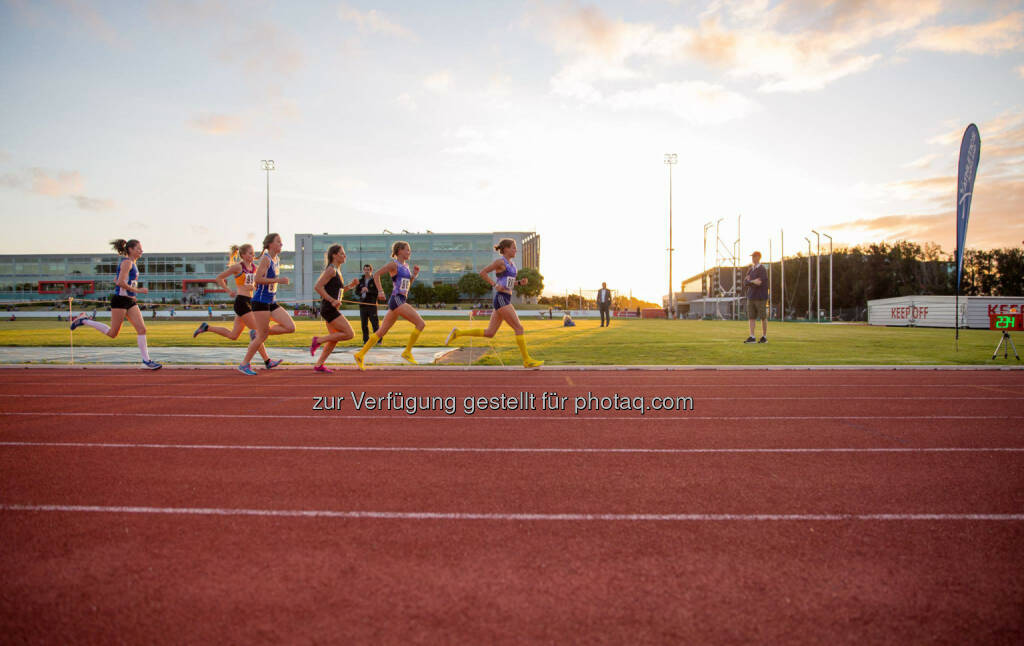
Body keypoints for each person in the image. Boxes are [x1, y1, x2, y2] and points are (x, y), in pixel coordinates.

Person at [443, 238, 544, 368]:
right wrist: (495, 285)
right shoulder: (500, 262)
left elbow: (508, 283)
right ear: (506, 249)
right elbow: (483, 272)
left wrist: (519, 283)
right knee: (519, 328)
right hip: (501, 298)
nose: (516, 250)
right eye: (513, 247)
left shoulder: (512, 265)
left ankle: (459, 333)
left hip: (505, 298)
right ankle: (526, 360)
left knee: (490, 333)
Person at [71, 238, 161, 369]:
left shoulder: (132, 264)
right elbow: (119, 282)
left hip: (129, 301)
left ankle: (146, 361)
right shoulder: (127, 263)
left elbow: (116, 279)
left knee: (142, 329)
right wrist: (138, 290)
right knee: (113, 333)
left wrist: (132, 294)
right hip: (120, 300)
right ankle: (84, 320)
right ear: (130, 249)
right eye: (138, 249)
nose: (141, 251)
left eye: (141, 249)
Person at [192, 244, 281, 370]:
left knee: (233, 335)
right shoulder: (238, 267)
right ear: (243, 255)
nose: (252, 255)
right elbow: (219, 278)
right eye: (249, 253)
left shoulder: (254, 268)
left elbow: (255, 282)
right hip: (241, 302)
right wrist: (228, 291)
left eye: (253, 253)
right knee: (258, 331)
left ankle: (206, 327)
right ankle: (267, 361)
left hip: (250, 301)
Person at [352, 241, 424, 370]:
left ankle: (360, 354)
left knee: (381, 332)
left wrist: (414, 276)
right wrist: (380, 290)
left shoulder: (406, 266)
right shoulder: (393, 264)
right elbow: (377, 274)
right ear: (399, 251)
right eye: (407, 250)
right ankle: (407, 352)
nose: (409, 252)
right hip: (397, 299)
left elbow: (407, 286)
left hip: (400, 299)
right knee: (420, 324)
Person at [237, 233, 296, 375]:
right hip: (260, 302)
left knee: (290, 327)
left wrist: (276, 281)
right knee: (263, 337)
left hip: (271, 301)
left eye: (281, 242)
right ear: (270, 244)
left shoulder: (277, 259)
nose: (281, 244)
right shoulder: (266, 259)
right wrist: (277, 280)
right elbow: (258, 279)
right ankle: (244, 364)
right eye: (279, 242)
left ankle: (257, 333)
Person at [309, 244, 359, 373]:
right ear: (334, 255)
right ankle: (318, 340)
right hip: (329, 308)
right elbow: (318, 287)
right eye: (342, 253)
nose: (344, 255)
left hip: (330, 308)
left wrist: (351, 286)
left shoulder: (337, 270)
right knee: (349, 334)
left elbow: (338, 291)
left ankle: (319, 364)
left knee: (334, 338)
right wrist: (332, 300)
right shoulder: (331, 270)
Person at [743, 250, 769, 343]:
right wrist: (752, 281)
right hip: (751, 296)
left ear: (758, 257)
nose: (753, 258)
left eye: (754, 256)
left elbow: (759, 282)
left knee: (763, 317)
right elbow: (745, 282)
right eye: (752, 256)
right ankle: (752, 336)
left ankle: (764, 337)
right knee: (751, 317)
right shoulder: (751, 269)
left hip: (760, 296)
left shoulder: (762, 269)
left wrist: (751, 281)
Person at [356, 263, 384, 344]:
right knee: (364, 325)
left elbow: (377, 292)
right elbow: (356, 292)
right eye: (365, 270)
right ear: (363, 270)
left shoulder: (375, 280)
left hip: (372, 305)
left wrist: (368, 290)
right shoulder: (360, 281)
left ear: (371, 270)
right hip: (362, 306)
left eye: (368, 270)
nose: (367, 271)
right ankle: (366, 341)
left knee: (375, 324)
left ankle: (378, 340)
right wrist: (361, 291)